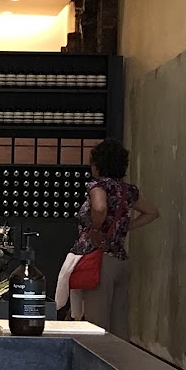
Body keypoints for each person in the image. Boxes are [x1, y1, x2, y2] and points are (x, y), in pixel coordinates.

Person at [68, 138, 157, 338]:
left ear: (98, 164)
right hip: (120, 261)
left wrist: (95, 228)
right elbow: (152, 212)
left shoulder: (97, 186)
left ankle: (96, 360)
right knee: (119, 327)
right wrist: (124, 227)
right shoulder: (128, 190)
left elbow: (100, 207)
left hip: (99, 262)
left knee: (96, 326)